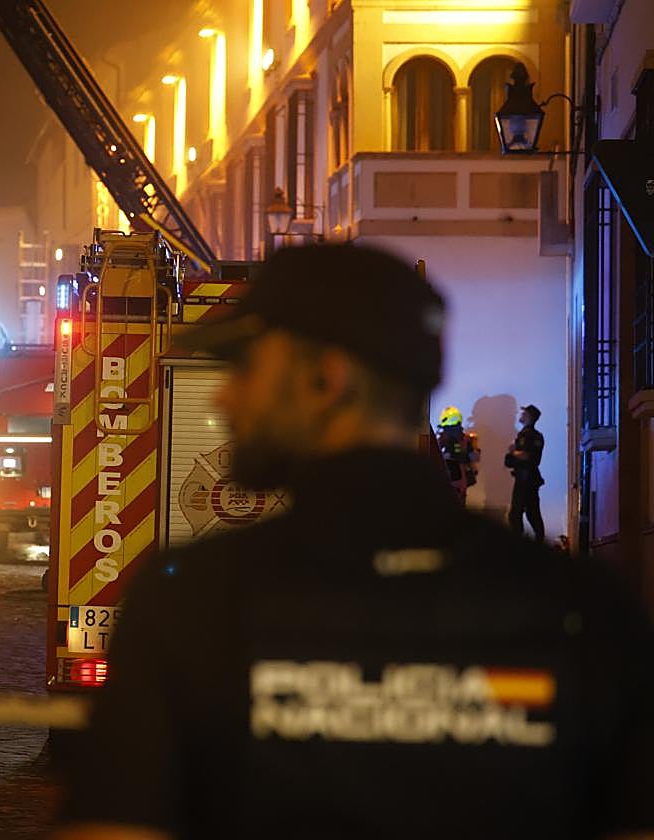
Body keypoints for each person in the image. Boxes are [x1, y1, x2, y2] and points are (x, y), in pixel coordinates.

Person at [54, 244, 654, 840]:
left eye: (246, 368)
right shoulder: (587, 610)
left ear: (326, 379)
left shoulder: (190, 601)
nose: (223, 396)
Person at [506, 403, 545, 542]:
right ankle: (536, 541)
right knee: (530, 513)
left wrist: (513, 452)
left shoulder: (530, 435)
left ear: (530, 417)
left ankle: (520, 543)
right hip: (525, 478)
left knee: (518, 513)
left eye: (525, 413)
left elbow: (528, 456)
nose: (521, 415)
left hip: (526, 478)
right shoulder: (525, 434)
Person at [435, 405, 480, 504]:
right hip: (455, 478)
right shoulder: (449, 438)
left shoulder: (460, 439)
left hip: (457, 478)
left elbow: (474, 456)